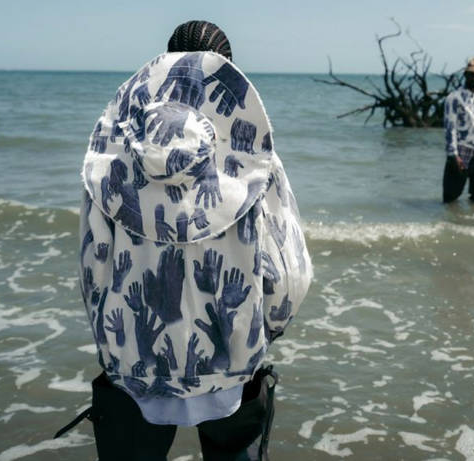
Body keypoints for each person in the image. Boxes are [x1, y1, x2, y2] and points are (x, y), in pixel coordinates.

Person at [68, 20, 313, 460]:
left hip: (134, 367)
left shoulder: (112, 160)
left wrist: (115, 343)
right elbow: (289, 274)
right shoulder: (256, 163)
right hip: (230, 366)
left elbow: (92, 267)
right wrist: (260, 332)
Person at [442, 56, 474, 203]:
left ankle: (472, 217)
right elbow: (450, 127)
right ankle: (450, 218)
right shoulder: (453, 98)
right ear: (465, 74)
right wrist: (453, 154)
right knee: (451, 196)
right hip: (461, 149)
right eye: (472, 74)